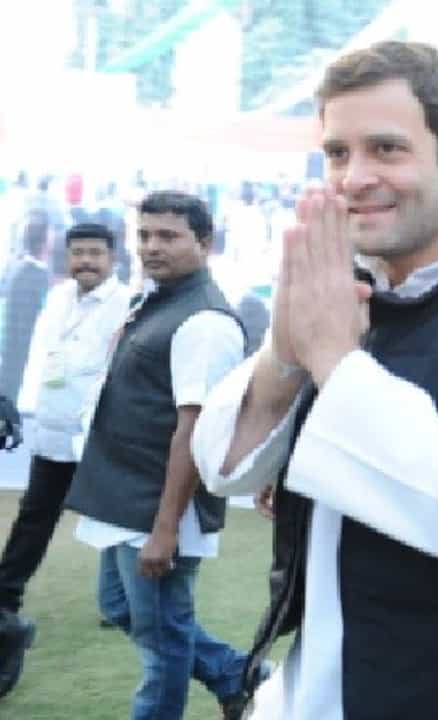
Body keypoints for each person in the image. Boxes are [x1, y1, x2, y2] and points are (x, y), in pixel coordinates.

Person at [190, 41, 438, 719]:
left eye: (386, 149)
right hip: (309, 689)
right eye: (337, 153)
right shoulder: (350, 288)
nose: (355, 178)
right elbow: (223, 467)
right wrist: (285, 353)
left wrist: (332, 358)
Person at [61, 191, 256, 720]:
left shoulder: (205, 322)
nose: (151, 247)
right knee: (121, 608)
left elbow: (193, 430)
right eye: (145, 235)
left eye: (168, 236)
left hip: (158, 505)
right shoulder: (158, 301)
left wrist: (165, 529)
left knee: (162, 642)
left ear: (205, 243)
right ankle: (236, 675)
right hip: (125, 498)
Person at [0, 223, 132, 698]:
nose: (86, 261)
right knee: (34, 518)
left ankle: (121, 603)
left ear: (113, 259)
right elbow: (42, 356)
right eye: (78, 253)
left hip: (102, 434)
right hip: (54, 429)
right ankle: (5, 600)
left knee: (117, 517)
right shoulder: (58, 299)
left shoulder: (127, 304)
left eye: (95, 253)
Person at [0, 216, 53, 401]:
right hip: (21, 353)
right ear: (43, 243)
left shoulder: (17, 268)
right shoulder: (35, 275)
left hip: (11, 351)